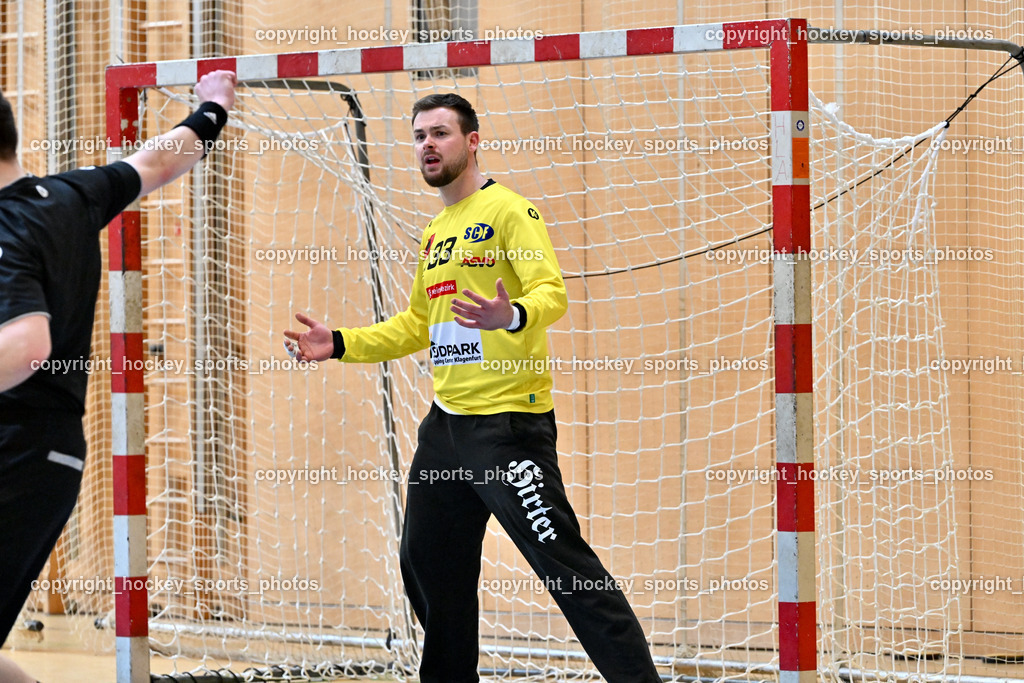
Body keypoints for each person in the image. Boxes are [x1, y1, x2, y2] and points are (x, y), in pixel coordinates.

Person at [284, 93, 660, 682]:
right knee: (427, 565)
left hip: (506, 431)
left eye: (440, 133)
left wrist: (508, 317)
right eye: (418, 136)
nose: (427, 145)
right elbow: (415, 324)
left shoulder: (511, 212)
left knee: (565, 567)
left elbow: (551, 292)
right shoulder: (436, 230)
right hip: (446, 431)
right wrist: (338, 340)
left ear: (473, 141)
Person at [0, 70, 237, 683]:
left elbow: (27, 344)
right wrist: (212, 110)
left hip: (17, 452)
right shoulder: (70, 197)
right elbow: (156, 162)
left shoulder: (6, 228)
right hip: (48, 453)